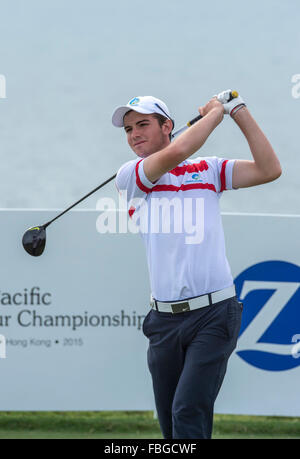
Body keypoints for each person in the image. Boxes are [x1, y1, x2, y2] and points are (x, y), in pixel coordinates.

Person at [112, 92, 282, 439]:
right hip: (164, 321)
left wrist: (237, 111)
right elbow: (176, 152)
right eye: (128, 129)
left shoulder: (209, 170)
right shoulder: (131, 177)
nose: (134, 135)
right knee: (171, 423)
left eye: (142, 124)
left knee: (188, 410)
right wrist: (215, 114)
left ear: (167, 126)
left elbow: (269, 169)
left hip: (215, 313)